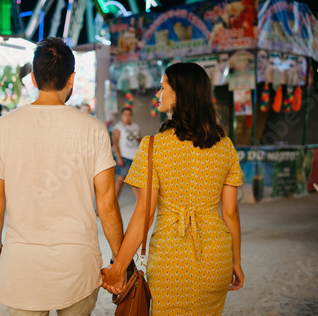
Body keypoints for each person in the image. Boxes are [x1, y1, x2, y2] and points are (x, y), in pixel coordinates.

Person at [0, 37, 124, 316]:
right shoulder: (93, 129)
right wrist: (120, 260)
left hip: (22, 263)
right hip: (78, 263)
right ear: (71, 79)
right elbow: (107, 204)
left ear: (33, 78)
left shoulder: (2, 128)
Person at [102, 62, 244, 315]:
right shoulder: (225, 146)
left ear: (179, 94)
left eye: (163, 87)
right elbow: (231, 213)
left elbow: (144, 216)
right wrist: (236, 261)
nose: (158, 93)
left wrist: (118, 269)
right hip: (216, 257)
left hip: (170, 258)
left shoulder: (154, 146)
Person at [112, 107, 141, 200]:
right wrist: (118, 157)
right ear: (122, 115)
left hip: (135, 157)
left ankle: (139, 205)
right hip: (124, 156)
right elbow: (115, 143)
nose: (127, 116)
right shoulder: (118, 127)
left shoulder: (135, 126)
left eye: (129, 114)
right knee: (120, 181)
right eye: (125, 114)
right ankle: (114, 202)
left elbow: (139, 141)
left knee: (135, 183)